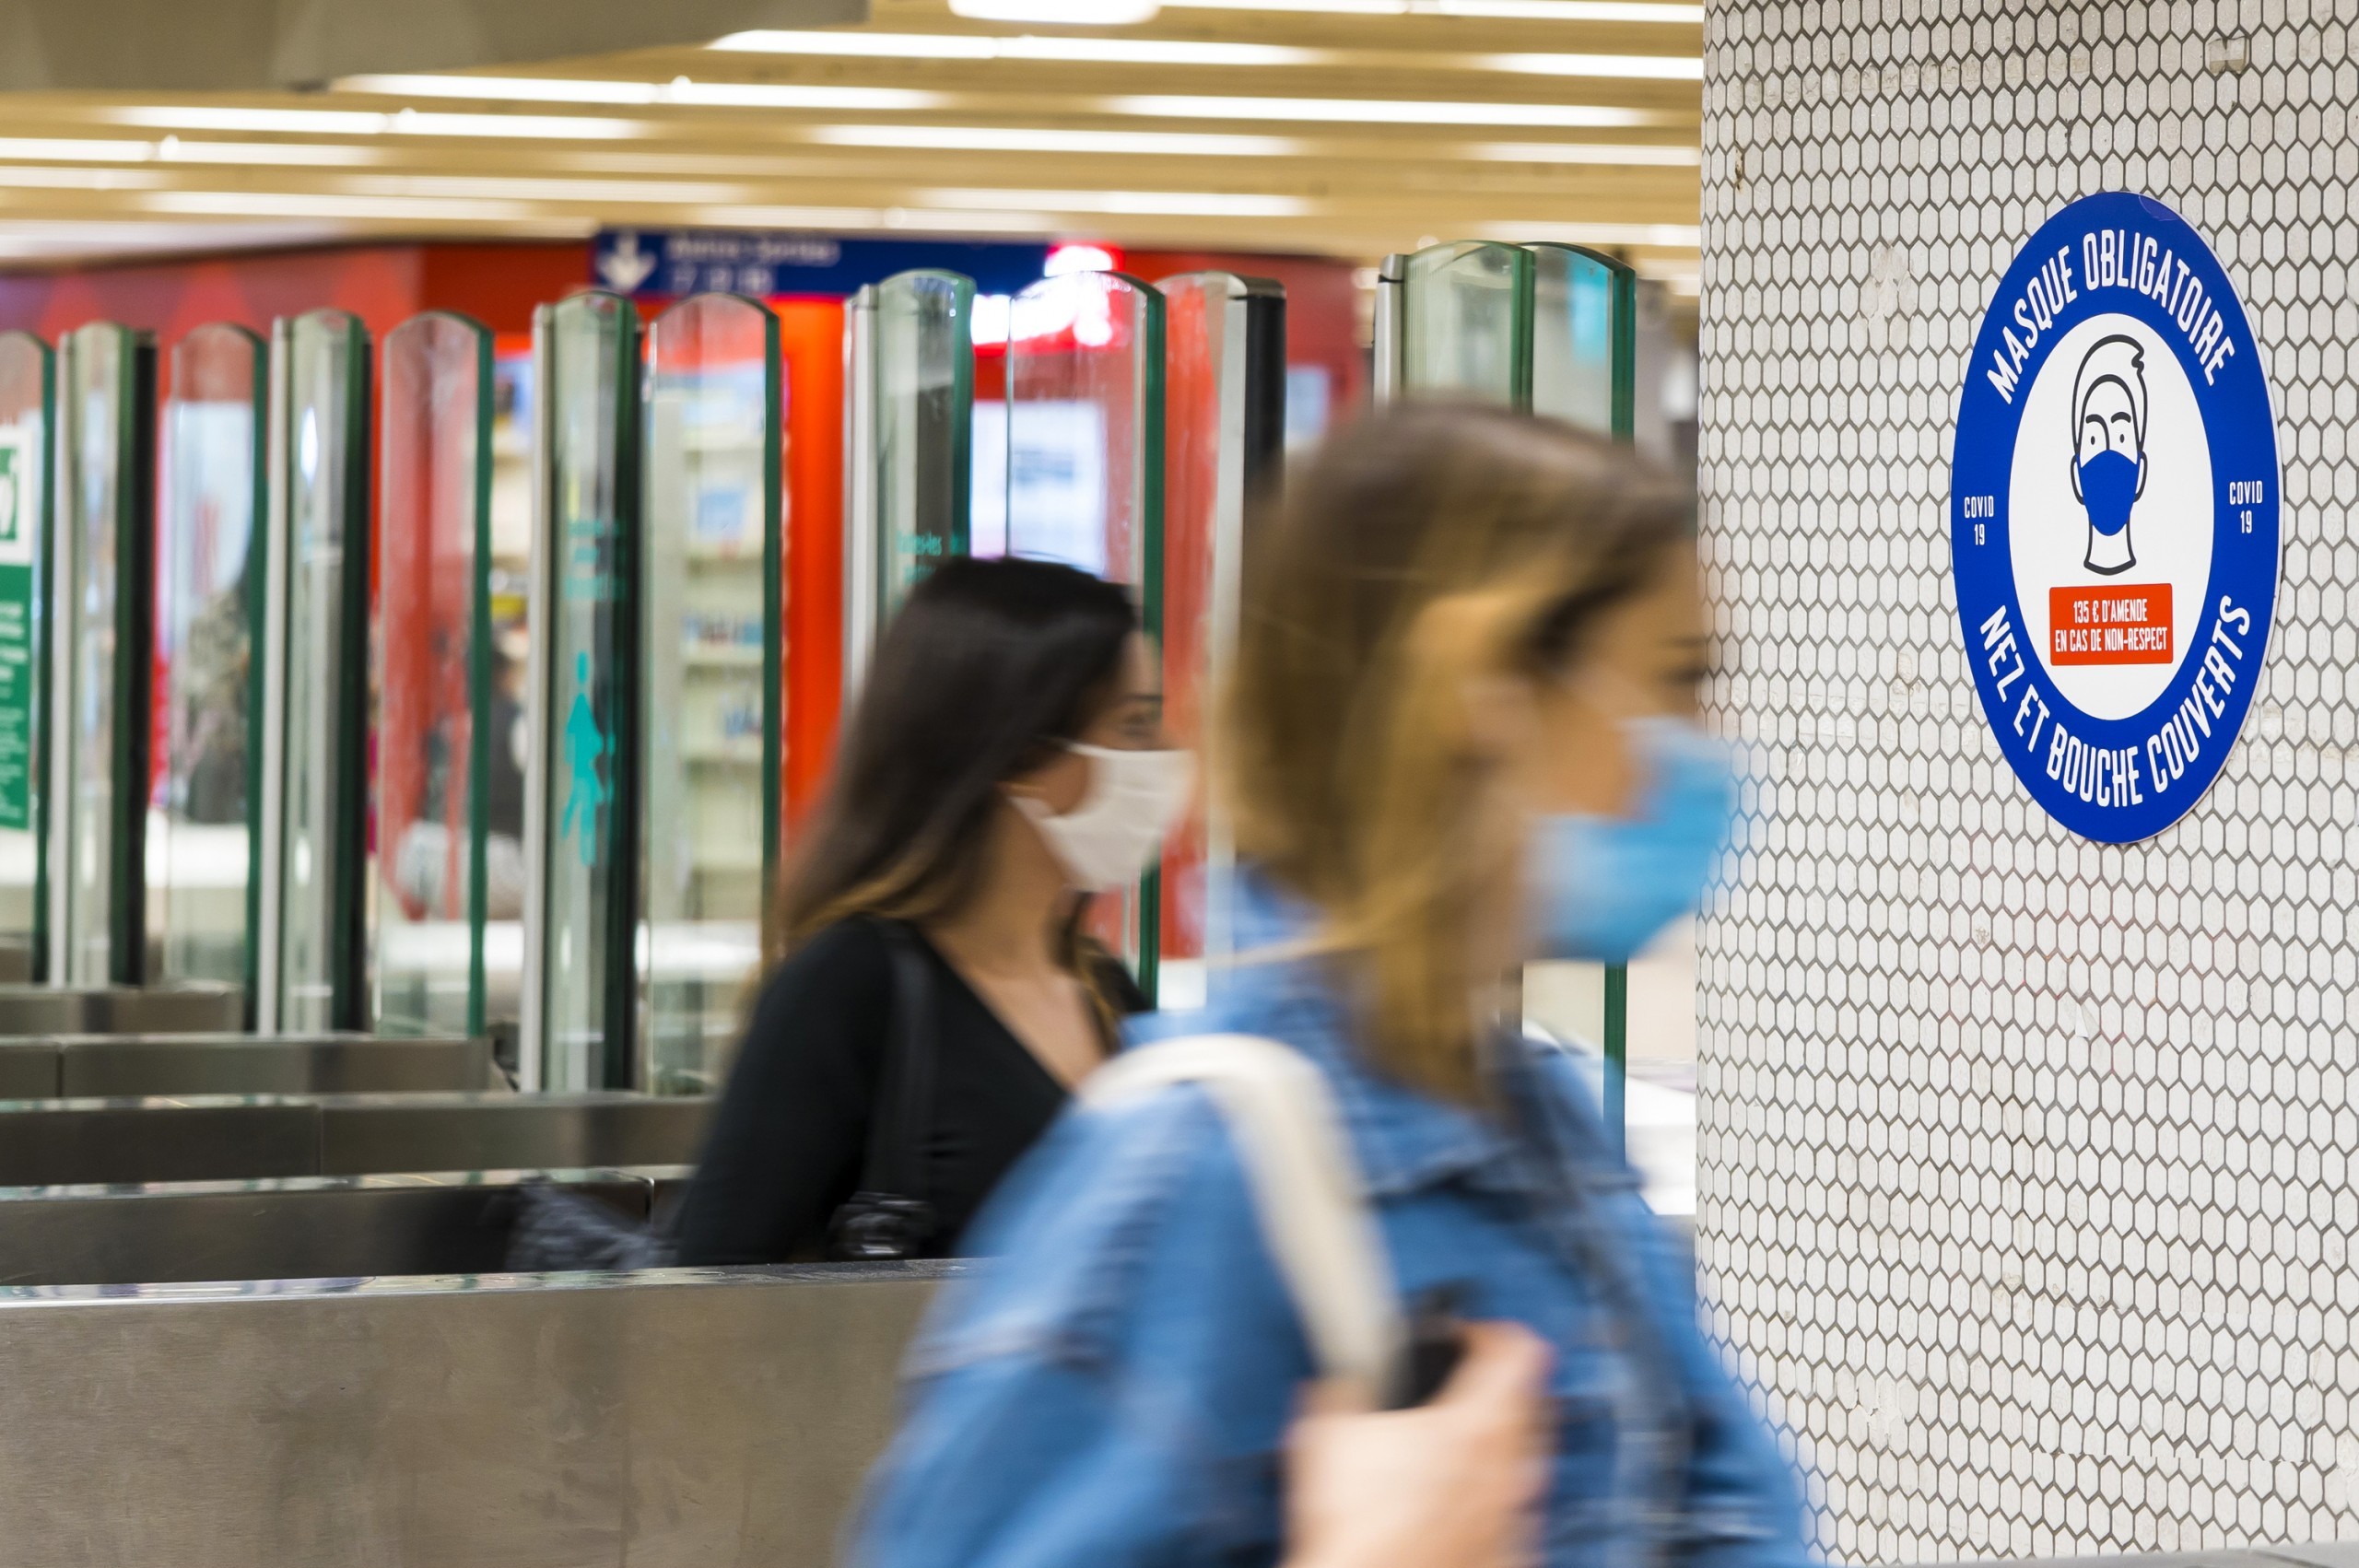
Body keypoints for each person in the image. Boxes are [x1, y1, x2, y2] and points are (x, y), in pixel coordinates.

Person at [850, 404, 1812, 1567]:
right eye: (1679, 676)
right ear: (1482, 689)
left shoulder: (1539, 1122)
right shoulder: (1189, 1190)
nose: (1712, 743)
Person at [674, 556, 1191, 1266]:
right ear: (1019, 749)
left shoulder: (1102, 988)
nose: (1166, 754)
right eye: (1134, 725)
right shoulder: (848, 987)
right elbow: (698, 1299)